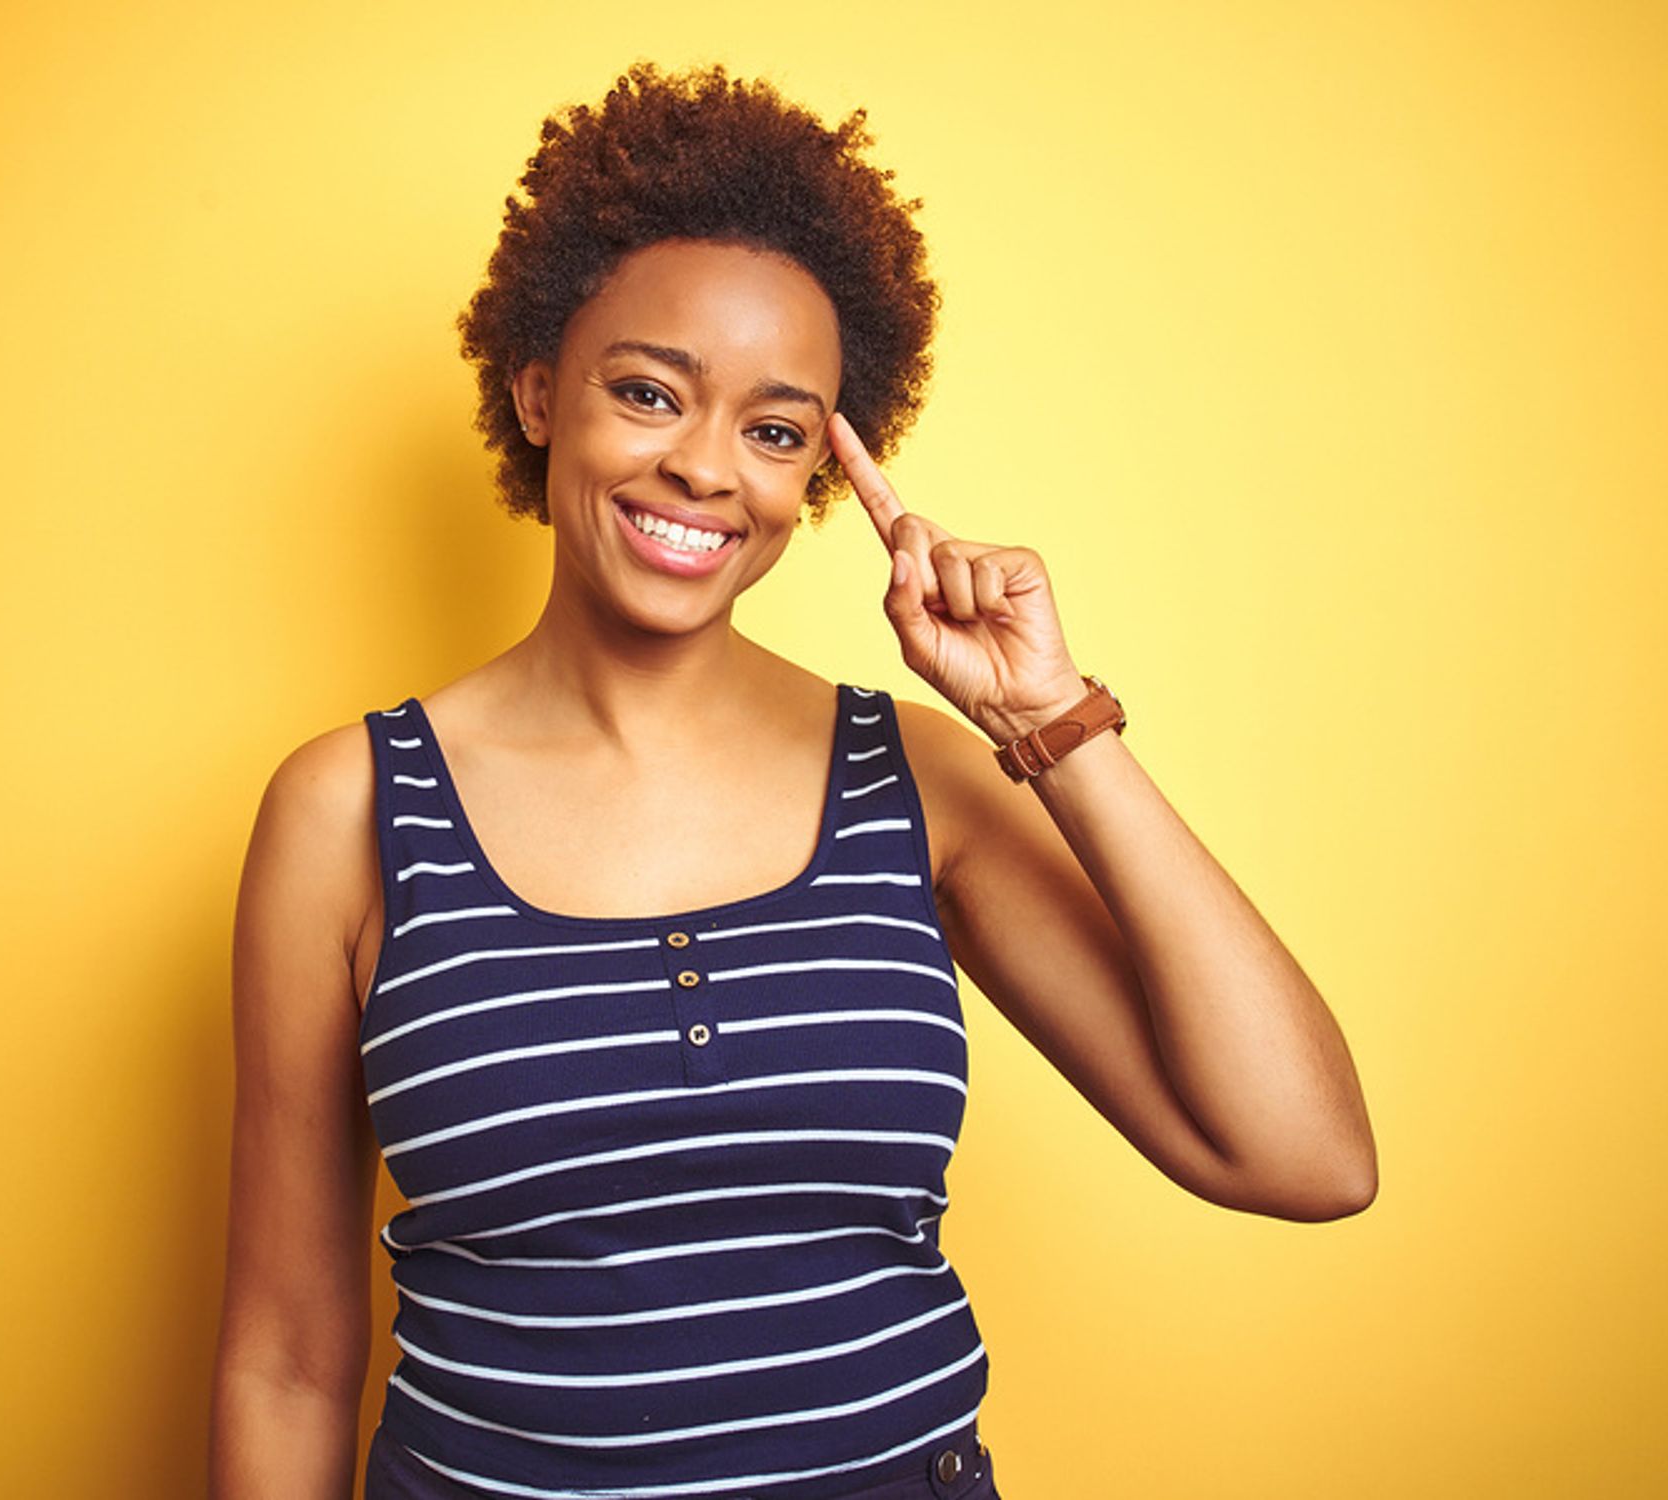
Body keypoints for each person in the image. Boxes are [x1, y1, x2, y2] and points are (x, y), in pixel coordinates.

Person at [208, 61, 1376, 1500]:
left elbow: (1304, 1157)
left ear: (819, 476)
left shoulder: (922, 786)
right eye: (649, 393)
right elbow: (288, 1355)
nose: (706, 469)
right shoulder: (348, 810)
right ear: (535, 391)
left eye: (774, 430)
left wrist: (1054, 716)